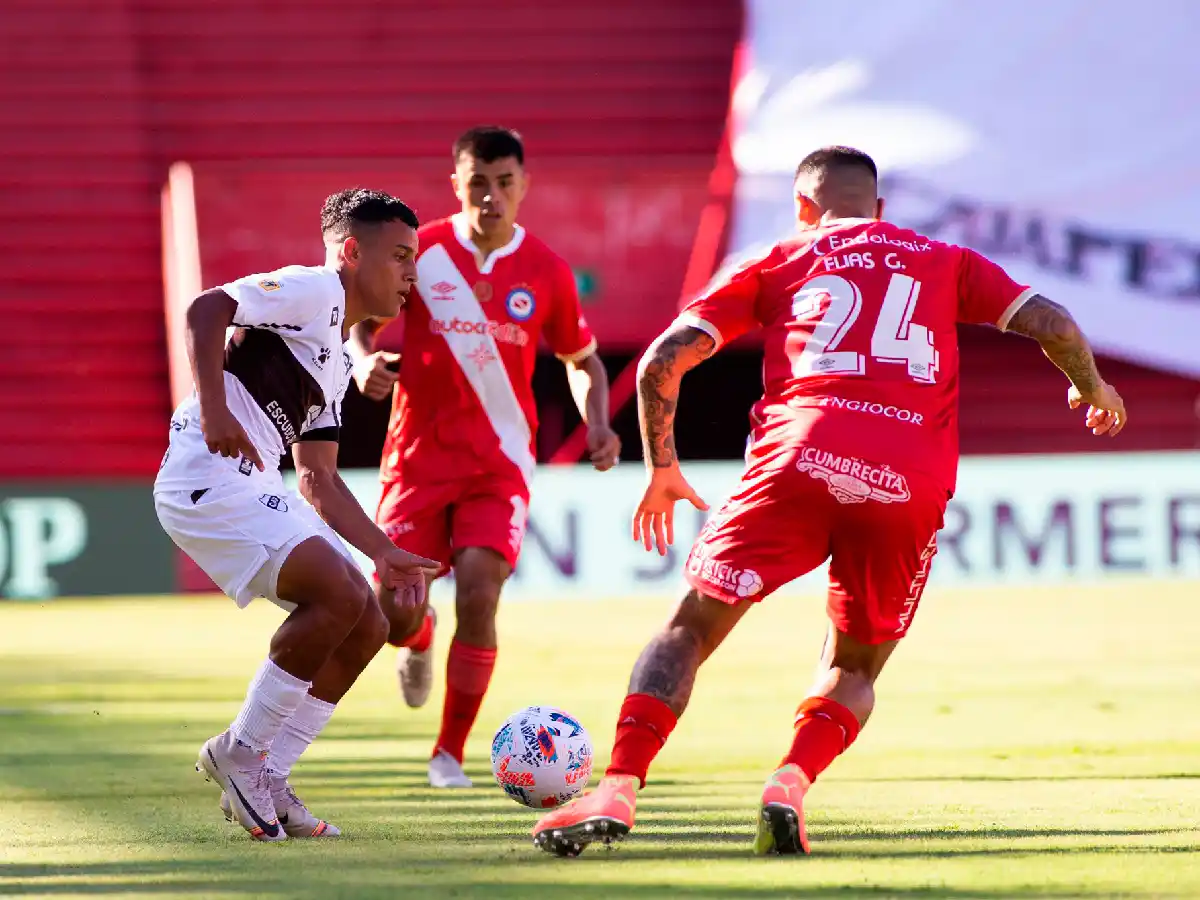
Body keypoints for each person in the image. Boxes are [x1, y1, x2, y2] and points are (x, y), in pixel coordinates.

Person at [532, 146, 1128, 857]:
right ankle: (789, 782)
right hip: (906, 478)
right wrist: (1090, 387)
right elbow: (1056, 325)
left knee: (688, 631)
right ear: (879, 210)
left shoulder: (779, 258)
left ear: (804, 210)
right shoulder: (943, 259)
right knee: (855, 665)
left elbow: (664, 357)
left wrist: (663, 466)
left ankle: (619, 788)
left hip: (797, 461)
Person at [153, 188, 441, 841]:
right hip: (205, 476)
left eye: (413, 259)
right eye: (398, 256)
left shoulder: (337, 361)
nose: (410, 274)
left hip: (248, 484)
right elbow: (207, 309)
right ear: (350, 252)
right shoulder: (315, 289)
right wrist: (217, 407)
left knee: (367, 620)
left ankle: (271, 772)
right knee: (338, 598)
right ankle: (239, 752)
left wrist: (383, 551)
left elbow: (319, 480)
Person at [348, 125, 621, 789]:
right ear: (457, 184)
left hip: (499, 462)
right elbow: (361, 318)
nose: (490, 196)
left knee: (481, 590)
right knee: (396, 611)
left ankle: (448, 753)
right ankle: (414, 638)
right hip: (416, 458)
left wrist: (600, 423)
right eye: (478, 183)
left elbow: (582, 361)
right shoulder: (422, 249)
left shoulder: (549, 272)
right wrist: (362, 363)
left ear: (523, 186)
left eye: (504, 183)